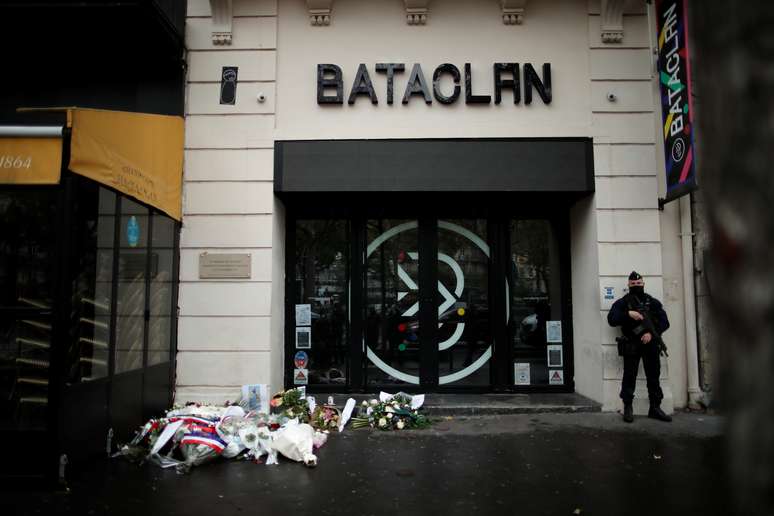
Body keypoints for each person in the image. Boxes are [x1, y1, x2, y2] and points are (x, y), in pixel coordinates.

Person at [607, 271, 672, 423]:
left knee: (653, 376)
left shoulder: (652, 302)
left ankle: (655, 407)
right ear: (629, 285)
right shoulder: (623, 303)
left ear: (643, 284)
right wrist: (628, 314)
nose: (636, 285)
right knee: (629, 377)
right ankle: (628, 407)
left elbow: (665, 322)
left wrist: (651, 334)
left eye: (638, 283)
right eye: (633, 284)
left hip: (650, 344)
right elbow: (612, 319)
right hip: (631, 344)